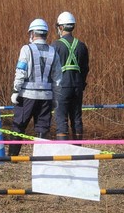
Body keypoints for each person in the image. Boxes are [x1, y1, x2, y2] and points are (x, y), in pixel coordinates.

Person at [9, 18, 62, 156]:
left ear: (32, 33)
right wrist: (55, 97)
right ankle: (41, 158)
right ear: (45, 34)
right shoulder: (53, 51)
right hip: (46, 97)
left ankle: (13, 156)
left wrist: (16, 90)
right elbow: (58, 78)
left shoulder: (26, 49)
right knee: (42, 127)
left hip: (27, 96)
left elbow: (21, 71)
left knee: (18, 125)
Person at [52, 11, 90, 140]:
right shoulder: (81, 46)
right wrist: (82, 83)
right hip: (77, 86)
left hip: (62, 86)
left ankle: (63, 151)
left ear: (61, 27)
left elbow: (51, 68)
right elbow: (85, 68)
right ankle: (78, 149)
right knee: (76, 117)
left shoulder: (56, 45)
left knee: (61, 118)